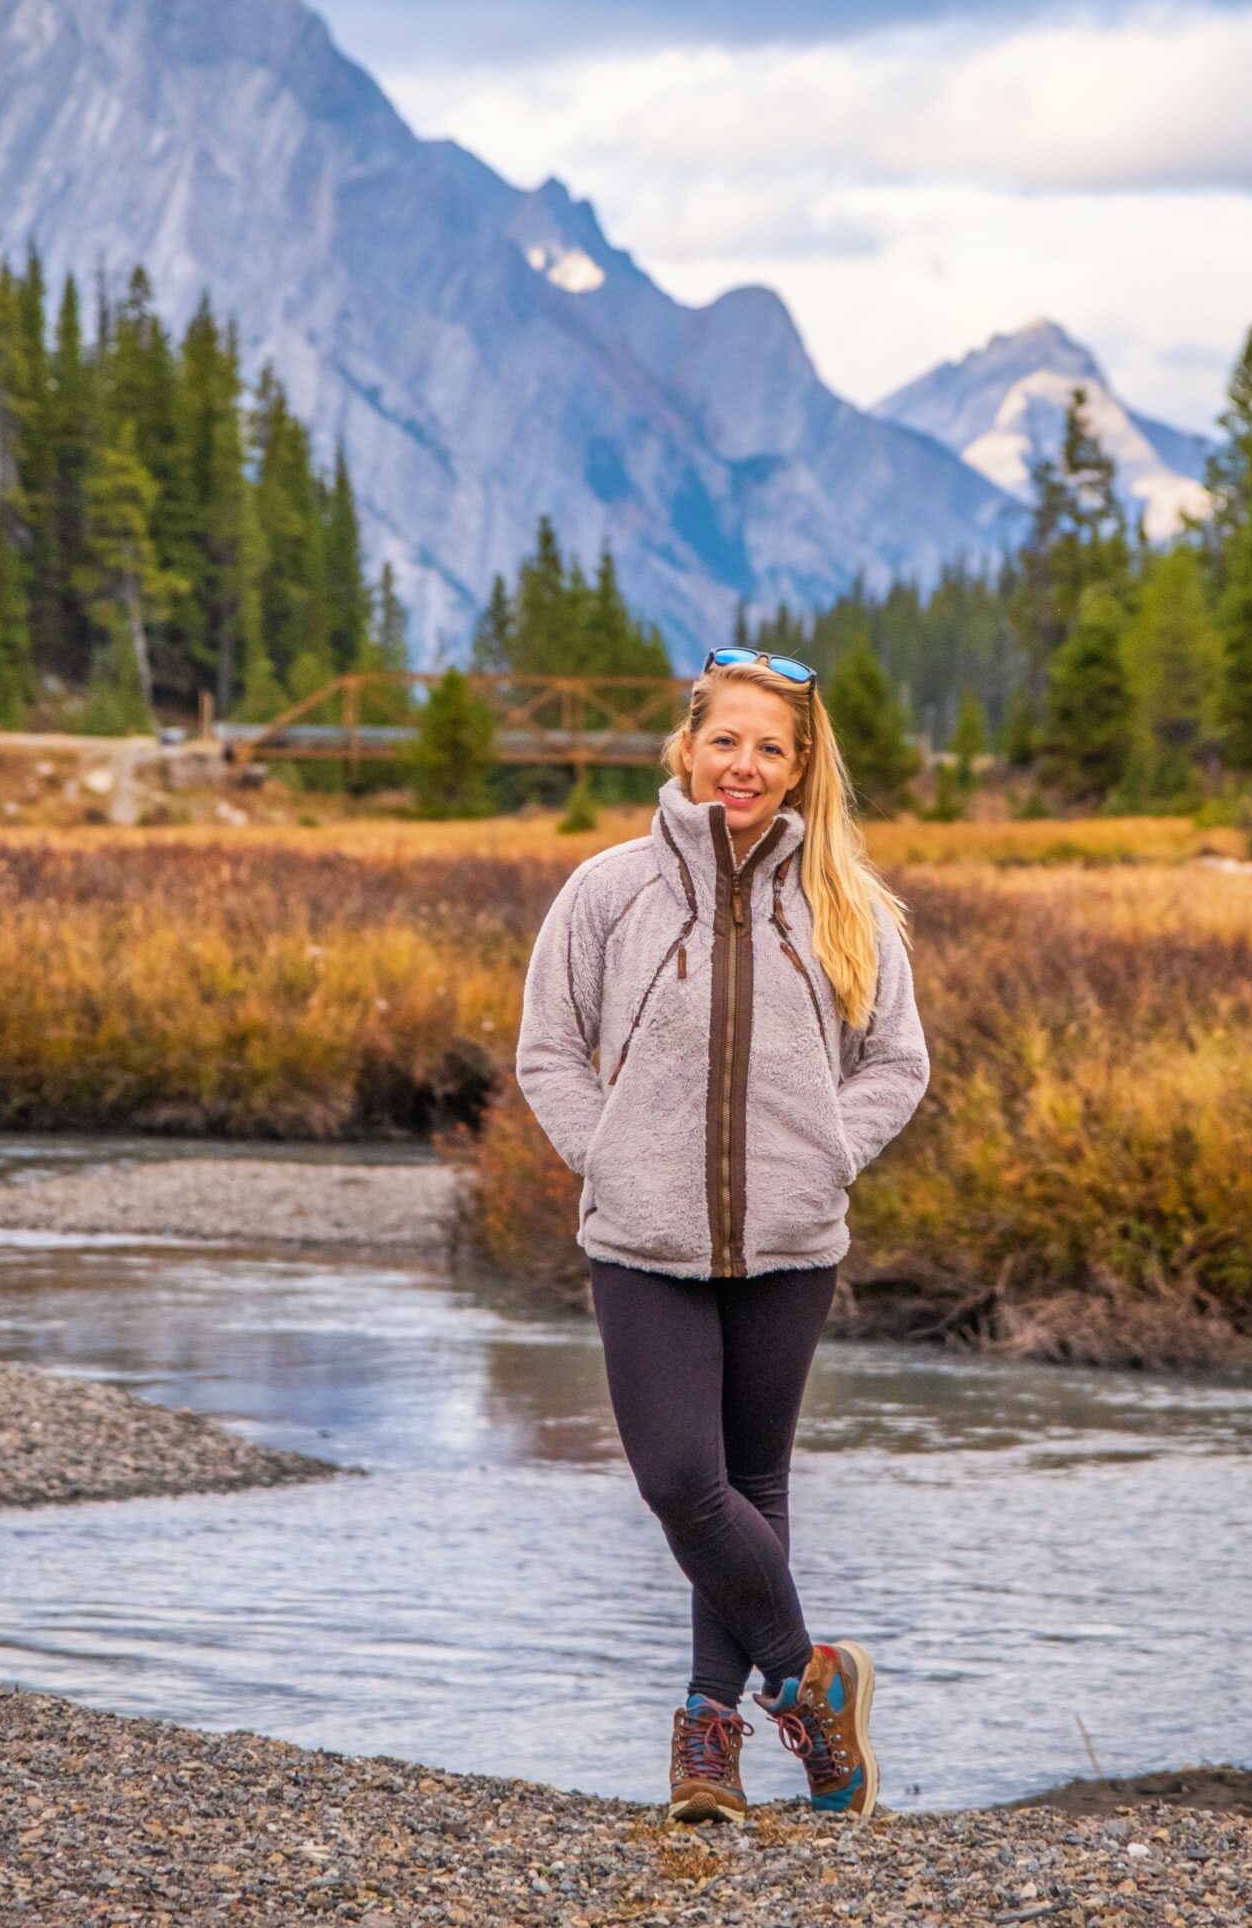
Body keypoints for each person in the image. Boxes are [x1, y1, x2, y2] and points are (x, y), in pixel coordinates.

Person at [516, 646, 930, 1825]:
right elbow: (547, 1046)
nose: (744, 764)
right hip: (642, 1240)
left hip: (792, 1243)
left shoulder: (844, 904)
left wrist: (828, 1154)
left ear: (801, 771)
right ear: (686, 746)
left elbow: (899, 1060)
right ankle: (813, 1682)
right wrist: (608, 1155)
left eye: (772, 747)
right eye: (726, 739)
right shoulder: (608, 891)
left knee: (754, 1480)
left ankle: (710, 1739)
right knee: (683, 1481)